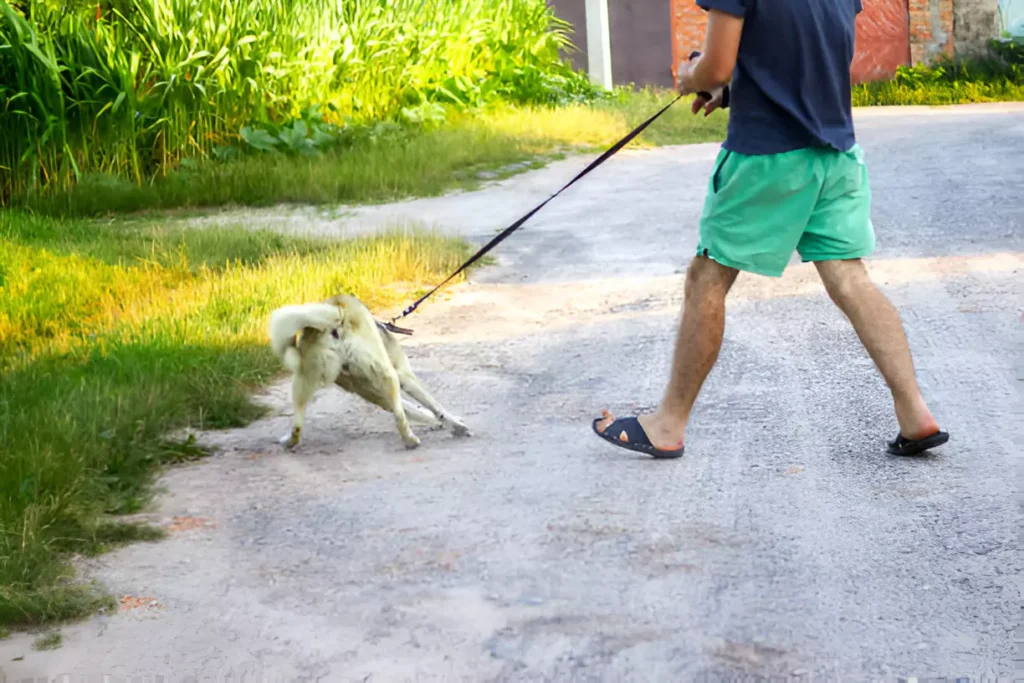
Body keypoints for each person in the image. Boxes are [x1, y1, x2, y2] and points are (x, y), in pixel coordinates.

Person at [592, 0, 949, 458]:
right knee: (850, 278)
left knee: (708, 276)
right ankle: (915, 414)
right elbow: (808, 54)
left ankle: (667, 425)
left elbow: (716, 66)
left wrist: (693, 77)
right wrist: (741, 89)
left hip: (767, 158)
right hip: (836, 153)